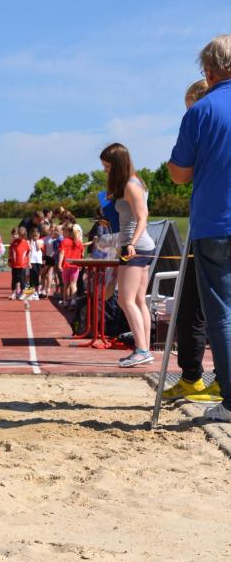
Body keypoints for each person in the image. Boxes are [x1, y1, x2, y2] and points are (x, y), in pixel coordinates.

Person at [168, 34, 231, 421]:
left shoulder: (201, 110)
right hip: (215, 222)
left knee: (221, 313)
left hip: (216, 222)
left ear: (209, 71)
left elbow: (179, 173)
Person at [163, 79, 212, 401]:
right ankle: (195, 375)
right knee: (194, 306)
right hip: (208, 223)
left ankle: (205, 376)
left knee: (200, 307)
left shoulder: (203, 119)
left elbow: (179, 172)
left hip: (212, 226)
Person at [100, 142, 155, 367]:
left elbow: (143, 218)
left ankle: (141, 350)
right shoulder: (132, 183)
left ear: (118, 164)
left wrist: (131, 243)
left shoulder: (132, 185)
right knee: (139, 300)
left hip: (135, 247)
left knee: (125, 299)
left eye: (107, 167)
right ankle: (145, 349)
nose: (105, 171)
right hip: (137, 245)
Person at [58, 223, 84, 308]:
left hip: (66, 266)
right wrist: (80, 264)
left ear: (68, 232)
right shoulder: (79, 243)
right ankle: (73, 301)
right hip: (75, 266)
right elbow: (82, 254)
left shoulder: (64, 241)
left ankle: (65, 301)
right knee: (73, 284)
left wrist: (59, 264)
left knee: (66, 284)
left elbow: (62, 253)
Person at [8, 225, 30, 300]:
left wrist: (29, 262)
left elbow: (28, 253)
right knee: (14, 279)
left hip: (22, 264)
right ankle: (13, 293)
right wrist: (9, 260)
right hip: (14, 264)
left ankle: (23, 293)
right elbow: (10, 251)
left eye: (21, 235)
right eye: (19, 235)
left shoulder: (26, 242)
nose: (20, 237)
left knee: (22, 279)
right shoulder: (14, 242)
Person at [28, 228, 44, 299]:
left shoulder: (41, 241)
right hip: (32, 260)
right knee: (32, 276)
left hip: (38, 261)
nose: (35, 237)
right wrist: (31, 241)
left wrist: (37, 240)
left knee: (37, 275)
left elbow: (38, 248)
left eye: (36, 235)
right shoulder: (30, 242)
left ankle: (37, 291)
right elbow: (30, 249)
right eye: (34, 235)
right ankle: (31, 292)